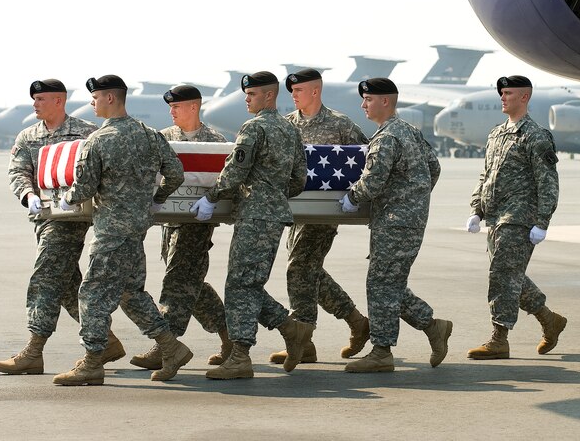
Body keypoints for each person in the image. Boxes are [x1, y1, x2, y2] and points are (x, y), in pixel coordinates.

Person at [53, 75, 192, 386]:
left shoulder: (99, 141)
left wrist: (67, 198)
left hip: (111, 233)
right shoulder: (150, 135)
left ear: (111, 99)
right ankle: (172, 347)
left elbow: (84, 187)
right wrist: (154, 200)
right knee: (132, 293)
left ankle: (91, 363)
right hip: (137, 229)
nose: (92, 103)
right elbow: (176, 174)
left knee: (91, 294)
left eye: (96, 97)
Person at [0, 79, 126, 376]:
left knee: (47, 275)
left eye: (41, 99)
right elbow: (18, 170)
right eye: (34, 99)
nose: (35, 104)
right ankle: (106, 342)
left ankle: (33, 350)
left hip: (71, 218)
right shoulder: (28, 136)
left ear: (59, 101)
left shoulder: (86, 132)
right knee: (67, 283)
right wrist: (27, 194)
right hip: (43, 217)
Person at [192, 71, 312, 380]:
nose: (247, 99)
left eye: (252, 95)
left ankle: (241, 356)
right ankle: (290, 328)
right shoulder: (289, 130)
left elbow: (235, 172)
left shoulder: (254, 128)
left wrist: (212, 196)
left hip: (255, 216)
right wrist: (274, 194)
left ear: (269, 96)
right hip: (274, 215)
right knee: (248, 284)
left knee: (240, 285)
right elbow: (299, 179)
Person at [339, 77, 453, 373]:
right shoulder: (409, 131)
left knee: (381, 282)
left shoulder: (387, 137)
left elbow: (373, 181)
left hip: (395, 221)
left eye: (368, 100)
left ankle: (382, 351)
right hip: (406, 219)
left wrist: (353, 196)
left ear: (385, 101)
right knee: (389, 283)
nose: (363, 105)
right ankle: (432, 326)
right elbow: (434, 168)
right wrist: (415, 198)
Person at [267, 68, 371, 366]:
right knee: (309, 271)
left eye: (298, 90)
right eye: (292, 91)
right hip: (295, 211)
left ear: (315, 91)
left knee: (299, 267)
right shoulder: (286, 125)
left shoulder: (340, 125)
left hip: (325, 212)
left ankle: (303, 340)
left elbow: (366, 157)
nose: (293, 96)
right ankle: (356, 321)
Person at [129, 84, 230, 372]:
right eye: (170, 107)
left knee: (177, 282)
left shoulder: (215, 141)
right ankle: (229, 338)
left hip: (197, 224)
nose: (171, 111)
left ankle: (165, 346)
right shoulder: (163, 138)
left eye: (176, 106)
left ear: (194, 107)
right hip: (169, 223)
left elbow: (221, 179)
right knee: (191, 285)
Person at [466, 75, 567, 361]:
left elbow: (548, 182)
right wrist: (476, 209)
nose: (503, 97)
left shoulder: (535, 135)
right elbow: (486, 175)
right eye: (501, 93)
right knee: (510, 275)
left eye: (508, 93)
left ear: (524, 97)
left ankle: (499, 338)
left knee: (502, 274)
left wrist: (543, 222)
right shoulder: (496, 133)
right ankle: (549, 320)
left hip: (520, 217)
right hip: (495, 217)